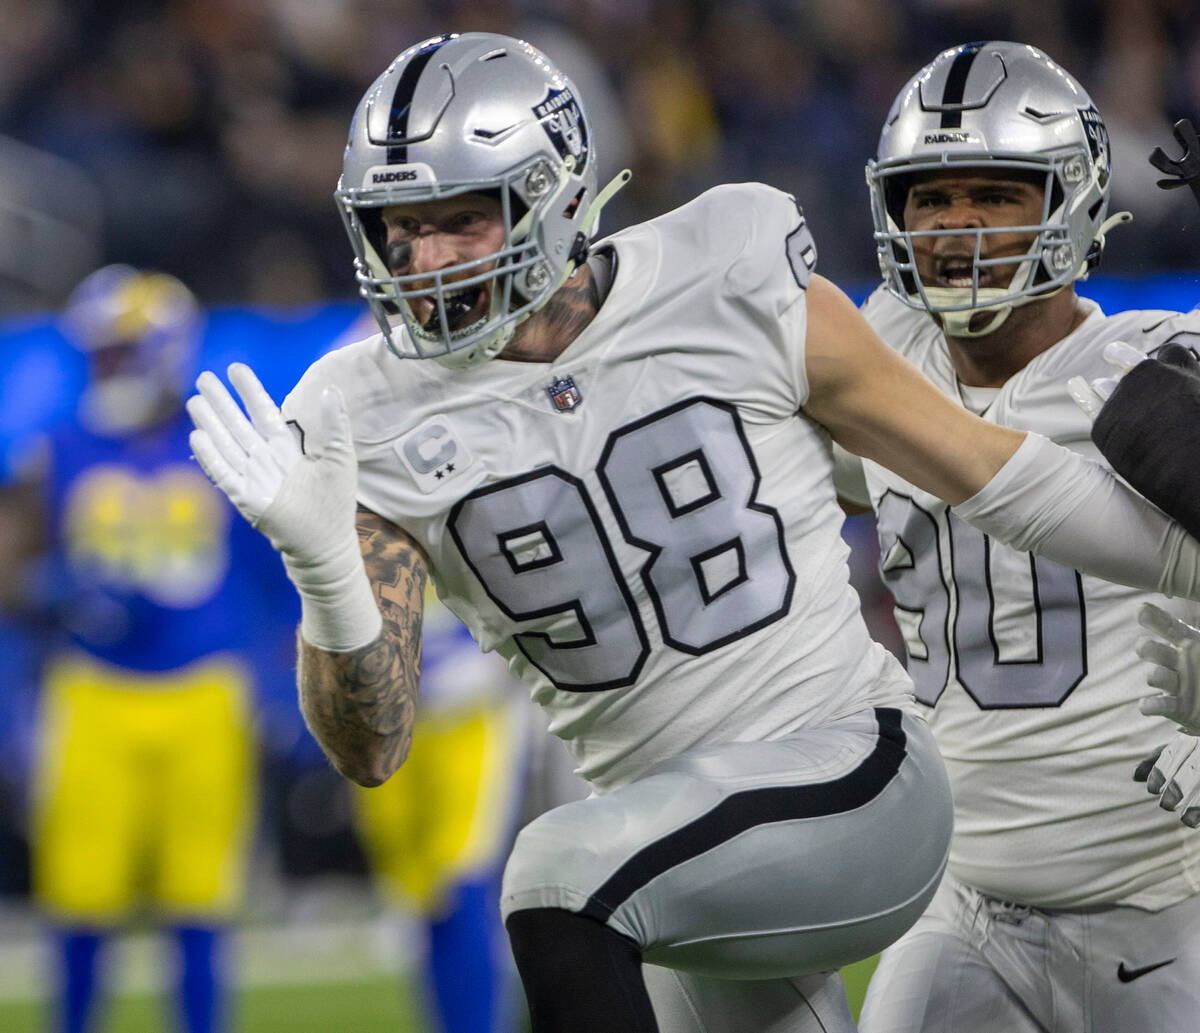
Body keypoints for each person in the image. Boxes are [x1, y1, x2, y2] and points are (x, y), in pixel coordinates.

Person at [185, 33, 1200, 1033]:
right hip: (704, 850)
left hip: (869, 781)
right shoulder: (361, 407)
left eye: (462, 219)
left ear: (557, 198)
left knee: (553, 874)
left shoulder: (733, 271)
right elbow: (370, 748)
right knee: (586, 877)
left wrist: (1188, 573)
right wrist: (326, 575)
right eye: (400, 227)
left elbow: (985, 470)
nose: (426, 257)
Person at [827, 41, 1200, 1033]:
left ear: (1073, 201)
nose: (957, 229)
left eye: (996, 193)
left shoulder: (1146, 371)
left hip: (1164, 907)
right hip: (960, 906)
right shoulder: (882, 352)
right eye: (929, 197)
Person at [10, 265, 272, 1033]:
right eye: (101, 353)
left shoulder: (221, 445)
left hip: (206, 689)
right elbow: (11, 571)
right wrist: (57, 588)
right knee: (79, 899)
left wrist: (282, 677)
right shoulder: (56, 446)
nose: (108, 368)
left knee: (201, 900)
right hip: (93, 690)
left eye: (122, 350)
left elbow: (277, 570)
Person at [351, 583, 528, 1033]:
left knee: (462, 876)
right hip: (385, 715)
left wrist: (498, 661)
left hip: (466, 713)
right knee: (419, 893)